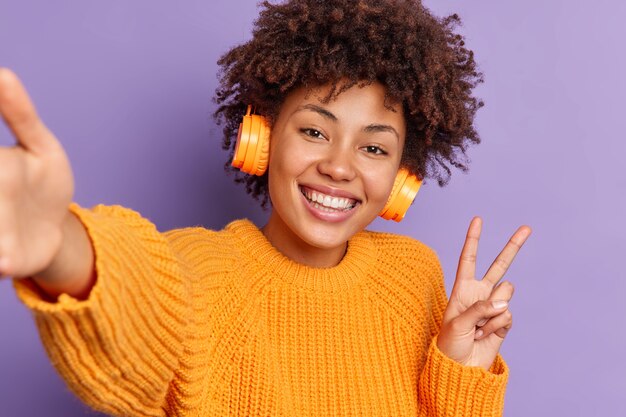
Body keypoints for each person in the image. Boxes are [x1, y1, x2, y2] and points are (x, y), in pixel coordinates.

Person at [0, 0, 531, 416]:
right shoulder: (197, 271)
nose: (340, 167)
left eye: (374, 147)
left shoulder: (413, 277)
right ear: (261, 138)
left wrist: (460, 372)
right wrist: (58, 246)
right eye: (315, 131)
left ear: (401, 178)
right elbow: (130, 313)